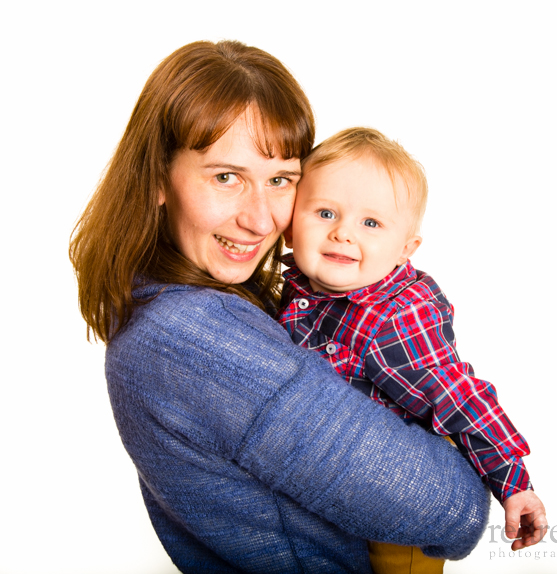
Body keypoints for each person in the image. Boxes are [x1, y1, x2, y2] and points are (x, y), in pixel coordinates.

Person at [69, 40, 491, 574]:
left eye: (280, 180)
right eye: (226, 177)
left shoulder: (166, 308)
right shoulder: (196, 336)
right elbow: (447, 509)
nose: (262, 219)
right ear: (157, 178)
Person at [277, 127, 548, 572]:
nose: (344, 233)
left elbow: (459, 395)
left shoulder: (395, 317)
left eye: (371, 223)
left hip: (399, 505)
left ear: (405, 249)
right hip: (333, 492)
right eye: (325, 212)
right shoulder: (298, 291)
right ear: (290, 227)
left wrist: (514, 484)